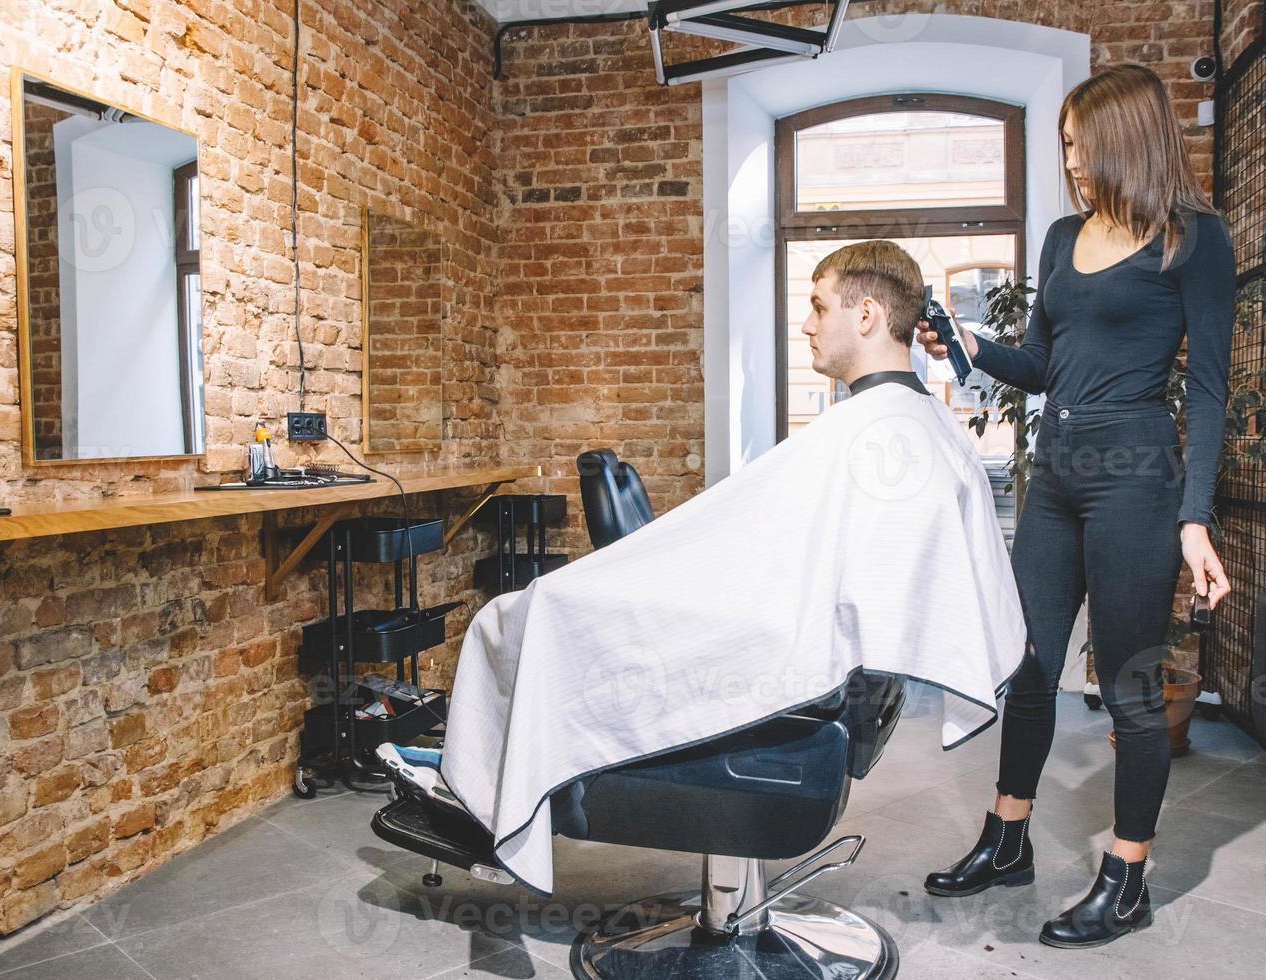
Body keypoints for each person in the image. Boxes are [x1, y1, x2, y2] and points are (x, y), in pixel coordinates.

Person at [423, 240, 1026, 896]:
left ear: (868, 316)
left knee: (529, 615)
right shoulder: (924, 427)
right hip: (828, 668)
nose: (806, 324)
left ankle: (496, 793)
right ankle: (495, 788)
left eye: (819, 307)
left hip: (792, 665)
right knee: (553, 612)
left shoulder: (868, 433)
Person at [919, 63, 1236, 948]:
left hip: (1137, 482)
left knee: (1130, 691)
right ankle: (1008, 836)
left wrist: (1195, 516)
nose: (1069, 164)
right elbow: (1041, 365)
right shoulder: (1063, 238)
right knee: (1028, 666)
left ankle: (1126, 878)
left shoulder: (1193, 239)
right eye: (1063, 147)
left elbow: (1208, 390)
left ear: (1125, 141)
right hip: (1053, 475)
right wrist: (969, 343)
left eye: (1078, 146)